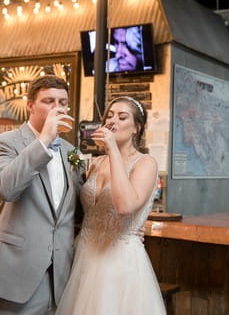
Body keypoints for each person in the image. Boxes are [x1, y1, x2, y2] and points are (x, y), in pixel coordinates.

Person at [0, 74, 85, 315]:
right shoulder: (5, 142)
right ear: (30, 105)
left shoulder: (71, 152)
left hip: (60, 274)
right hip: (17, 272)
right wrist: (45, 139)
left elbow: (79, 209)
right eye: (49, 101)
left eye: (63, 102)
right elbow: (6, 188)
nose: (58, 108)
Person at [56, 96, 166, 314]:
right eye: (110, 116)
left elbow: (125, 207)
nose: (113, 121)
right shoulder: (95, 163)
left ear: (136, 128)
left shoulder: (145, 163)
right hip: (83, 255)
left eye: (122, 117)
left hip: (117, 262)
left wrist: (113, 150)